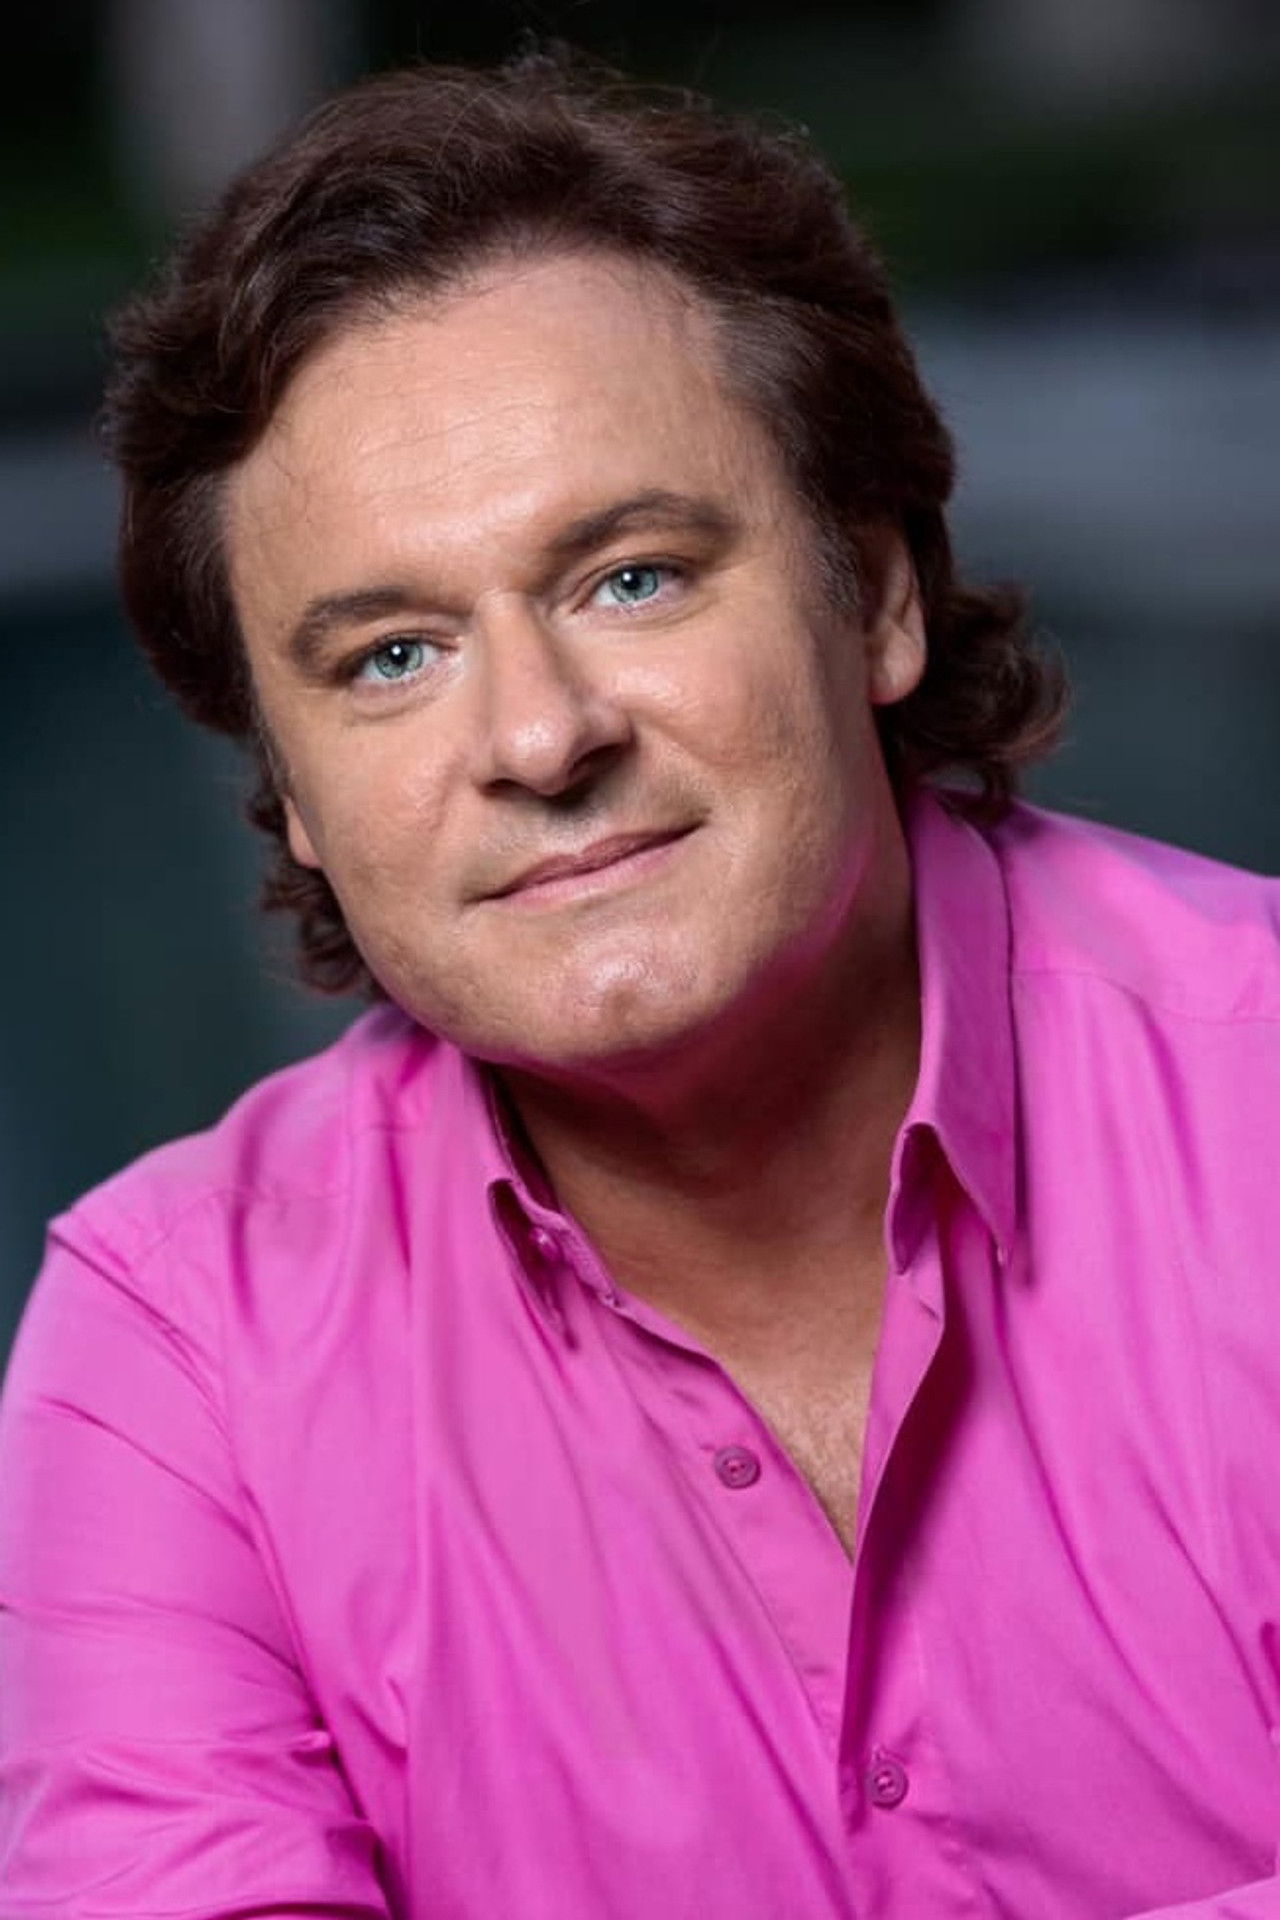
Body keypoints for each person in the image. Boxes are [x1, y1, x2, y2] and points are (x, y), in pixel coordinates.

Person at [0, 51, 1277, 1920]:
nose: (539, 736)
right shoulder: (175, 1360)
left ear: (876, 595)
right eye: (392, 658)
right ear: (294, 796)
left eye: (633, 578)